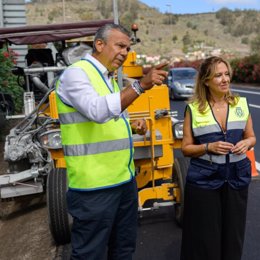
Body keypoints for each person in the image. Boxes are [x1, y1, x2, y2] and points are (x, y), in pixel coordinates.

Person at [55, 23, 168, 260]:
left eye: (127, 48)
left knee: (123, 249)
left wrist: (131, 124)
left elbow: (111, 116)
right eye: (120, 46)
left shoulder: (108, 78)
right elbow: (96, 111)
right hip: (94, 188)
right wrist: (141, 85)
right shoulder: (77, 74)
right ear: (99, 44)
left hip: (123, 181)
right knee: (89, 254)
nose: (125, 53)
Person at [180, 56, 256, 260]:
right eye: (218, 75)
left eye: (226, 74)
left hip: (236, 179)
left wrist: (246, 143)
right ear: (206, 81)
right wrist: (207, 147)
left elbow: (251, 137)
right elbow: (186, 148)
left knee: (234, 236)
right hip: (205, 181)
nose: (225, 79)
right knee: (206, 239)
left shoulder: (241, 104)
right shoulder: (193, 109)